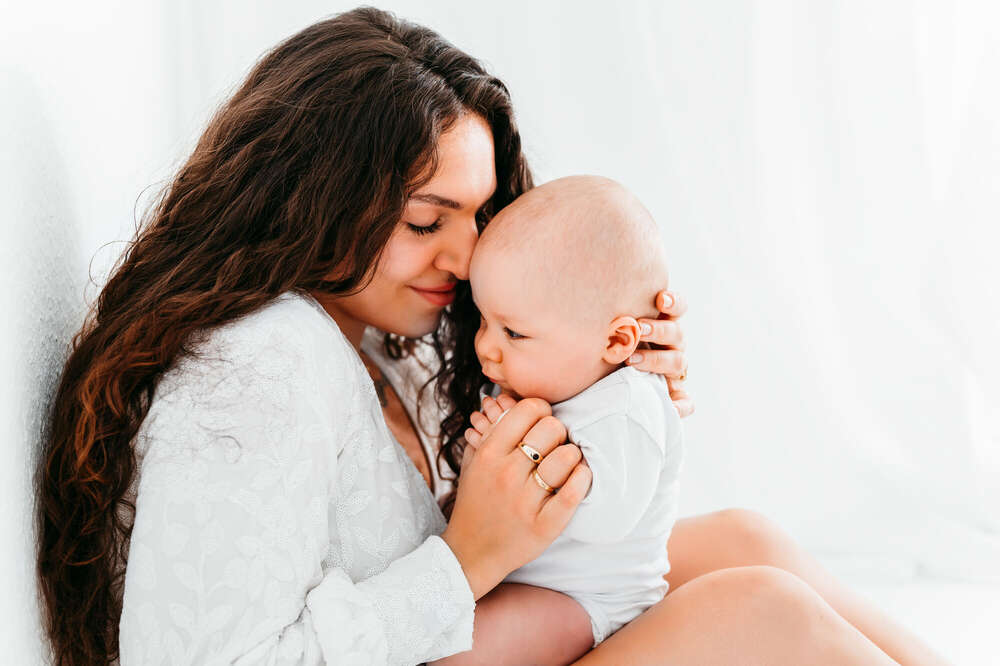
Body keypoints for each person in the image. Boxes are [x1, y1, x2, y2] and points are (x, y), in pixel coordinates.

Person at [34, 7, 948, 666]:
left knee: (745, 540)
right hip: (447, 634)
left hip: (468, 632)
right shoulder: (257, 363)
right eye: (426, 221)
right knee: (760, 610)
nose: (466, 258)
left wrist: (611, 384)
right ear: (311, 201)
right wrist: (470, 555)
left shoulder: (381, 337)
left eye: (477, 216)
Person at [436, 174, 686, 658]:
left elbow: (607, 521)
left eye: (513, 333)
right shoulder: (545, 376)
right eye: (484, 320)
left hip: (594, 600)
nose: (485, 345)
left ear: (616, 341)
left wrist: (514, 465)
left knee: (462, 654)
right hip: (531, 581)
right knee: (440, 633)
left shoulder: (627, 406)